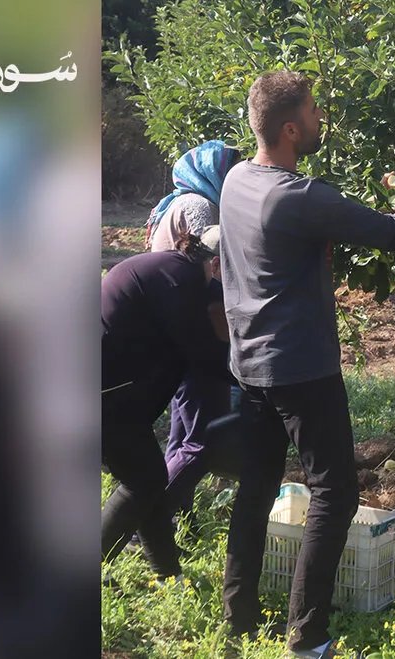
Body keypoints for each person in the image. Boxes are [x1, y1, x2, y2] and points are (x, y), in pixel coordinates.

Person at [218, 70, 395, 658]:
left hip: (250, 365)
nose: (321, 120)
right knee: (334, 495)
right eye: (314, 112)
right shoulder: (301, 195)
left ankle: (236, 620)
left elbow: (301, 240)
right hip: (301, 369)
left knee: (256, 486)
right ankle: (307, 638)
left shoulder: (238, 178)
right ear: (290, 128)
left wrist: (385, 214)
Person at [101, 227, 231, 578]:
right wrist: (256, 381)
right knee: (142, 482)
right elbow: (202, 351)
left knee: (150, 481)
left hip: (113, 388)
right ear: (217, 264)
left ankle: (168, 573)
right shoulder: (179, 281)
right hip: (101, 391)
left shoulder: (177, 270)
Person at [144, 142, 243, 513]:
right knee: (201, 435)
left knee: (182, 432)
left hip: (174, 331)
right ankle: (153, 514)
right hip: (194, 331)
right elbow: (216, 264)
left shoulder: (178, 203)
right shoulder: (199, 206)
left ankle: (175, 516)